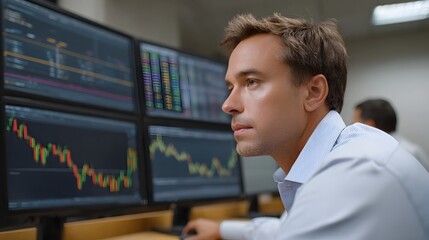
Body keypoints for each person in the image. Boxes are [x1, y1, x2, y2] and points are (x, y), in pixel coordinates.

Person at [182, 13, 429, 240]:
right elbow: (288, 229)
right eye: (230, 88)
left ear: (313, 92)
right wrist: (222, 229)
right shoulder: (340, 160)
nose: (228, 105)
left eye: (252, 82)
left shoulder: (353, 174)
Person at [353, 98, 429, 171]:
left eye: (354, 124)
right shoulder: (413, 151)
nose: (352, 129)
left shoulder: (375, 158)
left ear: (370, 125)